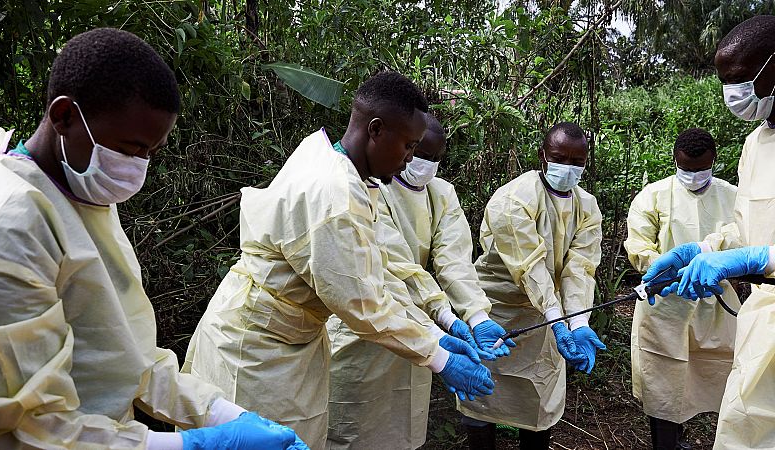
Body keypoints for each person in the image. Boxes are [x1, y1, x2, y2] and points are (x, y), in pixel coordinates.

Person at [0, 28, 301, 449]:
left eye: (153, 151)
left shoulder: (80, 187)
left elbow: (127, 347)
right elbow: (24, 430)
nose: (138, 167)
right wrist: (192, 445)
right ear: (64, 117)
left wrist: (224, 413)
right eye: (130, 148)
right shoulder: (4, 228)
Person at [183, 72, 495, 449]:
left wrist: (438, 330)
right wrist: (439, 358)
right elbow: (364, 304)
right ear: (377, 130)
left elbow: (378, 271)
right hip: (256, 350)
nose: (411, 158)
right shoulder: (335, 195)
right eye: (409, 146)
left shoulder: (343, 170)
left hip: (290, 342)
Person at [326, 113, 514, 450]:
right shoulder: (369, 185)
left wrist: (476, 316)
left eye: (433, 157)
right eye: (415, 151)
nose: (420, 162)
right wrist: (444, 316)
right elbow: (391, 263)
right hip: (363, 322)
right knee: (348, 425)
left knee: (402, 427)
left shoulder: (440, 194)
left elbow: (454, 260)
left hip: (418, 330)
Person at [642, 16, 775, 449]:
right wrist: (702, 249)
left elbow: (757, 249)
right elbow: (746, 226)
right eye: (724, 81)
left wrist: (755, 260)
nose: (731, 94)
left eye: (739, 78)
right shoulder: (757, 145)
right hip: (763, 321)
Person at [458, 122, 605, 450]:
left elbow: (580, 269)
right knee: (483, 395)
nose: (567, 168)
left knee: (539, 399)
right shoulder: (514, 198)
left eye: (576, 161)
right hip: (497, 310)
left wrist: (578, 322)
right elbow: (529, 267)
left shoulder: (587, 206)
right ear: (542, 155)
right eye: (558, 157)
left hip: (545, 318)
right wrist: (558, 318)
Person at [624, 128, 739, 449]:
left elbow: (744, 237)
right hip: (664, 302)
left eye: (700, 169)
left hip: (715, 302)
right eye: (685, 169)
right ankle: (667, 443)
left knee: (717, 374)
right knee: (664, 380)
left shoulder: (733, 197)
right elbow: (638, 244)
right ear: (675, 160)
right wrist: (660, 267)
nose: (692, 176)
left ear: (714, 160)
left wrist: (709, 263)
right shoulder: (653, 195)